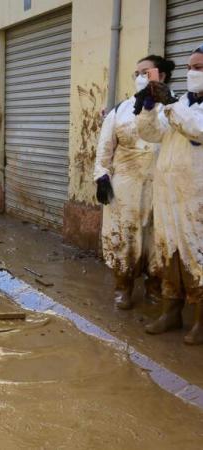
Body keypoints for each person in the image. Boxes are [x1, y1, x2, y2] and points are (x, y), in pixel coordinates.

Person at [94, 55, 173, 309]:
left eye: (146, 72)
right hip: (125, 186)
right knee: (125, 236)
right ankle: (123, 287)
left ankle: (154, 286)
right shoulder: (120, 110)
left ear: (161, 76)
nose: (140, 77)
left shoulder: (175, 108)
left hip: (161, 185)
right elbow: (104, 148)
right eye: (137, 73)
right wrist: (102, 176)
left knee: (157, 238)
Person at [136, 45, 203, 345]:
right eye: (190, 67)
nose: (192, 73)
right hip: (167, 195)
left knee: (196, 257)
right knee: (168, 252)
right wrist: (149, 107)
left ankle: (200, 321)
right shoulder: (180, 103)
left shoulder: (183, 107)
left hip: (195, 198)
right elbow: (151, 134)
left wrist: (171, 103)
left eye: (199, 67)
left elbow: (196, 129)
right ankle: (170, 311)